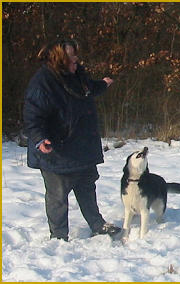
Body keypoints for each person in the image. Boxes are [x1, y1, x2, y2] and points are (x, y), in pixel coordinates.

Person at [23, 39, 121, 241]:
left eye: (76, 56)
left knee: (87, 187)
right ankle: (58, 236)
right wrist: (40, 139)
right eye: (71, 58)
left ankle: (97, 224)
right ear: (58, 59)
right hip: (56, 152)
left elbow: (87, 89)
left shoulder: (76, 73)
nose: (76, 60)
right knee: (58, 196)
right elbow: (32, 117)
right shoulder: (42, 83)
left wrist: (103, 84)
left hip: (82, 147)